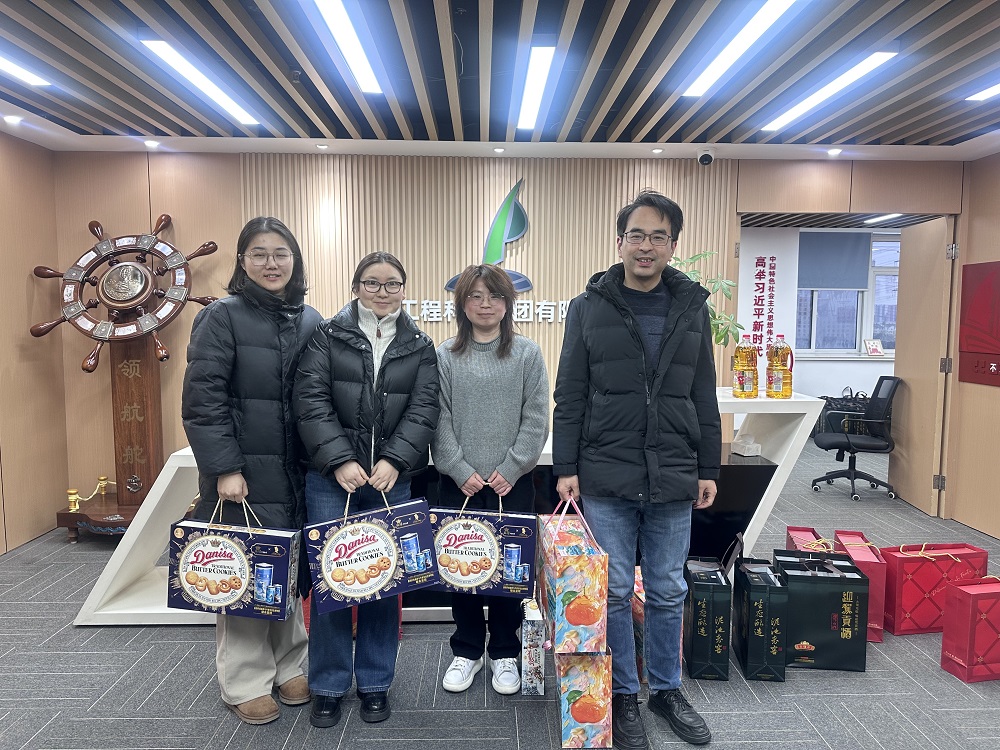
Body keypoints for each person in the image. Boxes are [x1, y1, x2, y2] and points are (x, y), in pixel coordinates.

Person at [552, 190, 721, 748]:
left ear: (673, 245)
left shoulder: (691, 306)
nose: (646, 246)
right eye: (637, 235)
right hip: (607, 470)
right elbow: (570, 393)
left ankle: (667, 690)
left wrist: (709, 465)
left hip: (673, 468)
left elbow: (703, 392)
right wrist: (566, 464)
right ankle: (624, 693)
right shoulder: (588, 306)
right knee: (616, 590)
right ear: (620, 241)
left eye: (658, 237)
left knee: (669, 588)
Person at [181, 216, 322, 725]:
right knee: (244, 569)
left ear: (295, 260)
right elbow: (203, 401)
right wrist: (224, 468)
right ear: (242, 261)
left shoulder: (310, 319)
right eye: (259, 253)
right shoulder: (220, 317)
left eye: (281, 253)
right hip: (242, 474)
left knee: (286, 568)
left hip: (296, 472)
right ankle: (244, 680)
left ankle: (290, 667)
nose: (271, 263)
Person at [293, 251, 439, 728]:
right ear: (356, 287)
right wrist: (340, 460)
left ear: (403, 289)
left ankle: (376, 682)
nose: (382, 292)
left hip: (391, 480)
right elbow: (310, 401)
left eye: (392, 283)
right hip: (331, 480)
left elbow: (424, 408)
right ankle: (328, 686)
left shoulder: (419, 344)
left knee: (383, 582)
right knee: (333, 582)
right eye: (372, 283)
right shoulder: (327, 335)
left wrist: (395, 460)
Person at [432, 264, 549, 695]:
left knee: (509, 574)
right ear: (462, 304)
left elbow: (536, 417)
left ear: (508, 303)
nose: (486, 304)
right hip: (458, 484)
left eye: (495, 296)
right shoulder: (445, 355)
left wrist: (513, 467)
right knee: (461, 570)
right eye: (475, 296)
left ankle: (503, 652)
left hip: (511, 484)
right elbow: (437, 417)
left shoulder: (527, 354)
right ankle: (467, 651)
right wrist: (458, 468)